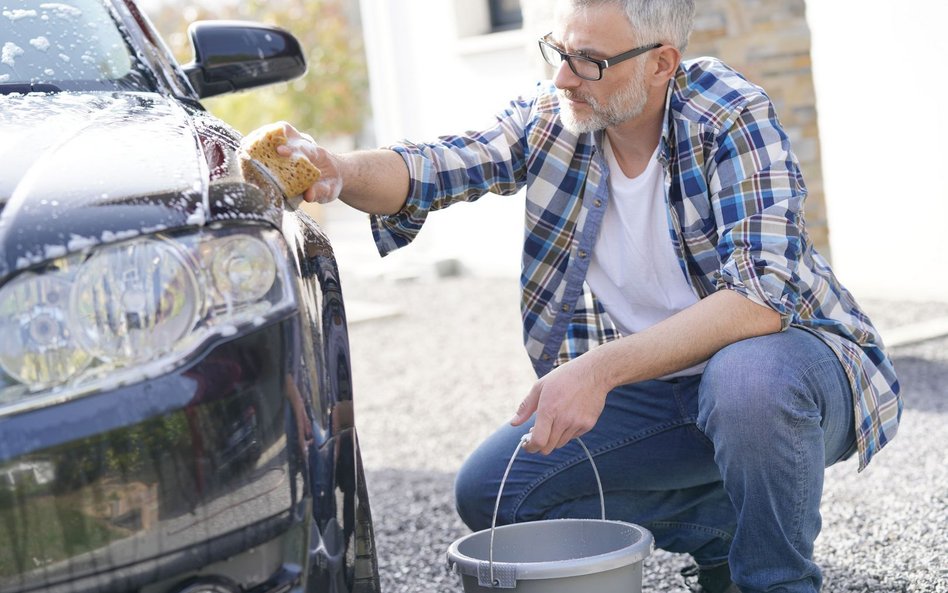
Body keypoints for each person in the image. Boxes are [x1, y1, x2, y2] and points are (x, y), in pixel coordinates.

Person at [262, 1, 901, 590]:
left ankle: (775, 577)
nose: (565, 78)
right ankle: (727, 529)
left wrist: (596, 371)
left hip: (798, 368)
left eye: (590, 61)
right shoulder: (555, 119)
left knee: (746, 381)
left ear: (661, 64)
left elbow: (760, 299)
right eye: (559, 52)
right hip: (667, 389)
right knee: (494, 495)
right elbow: (437, 164)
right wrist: (341, 170)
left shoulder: (729, 114)